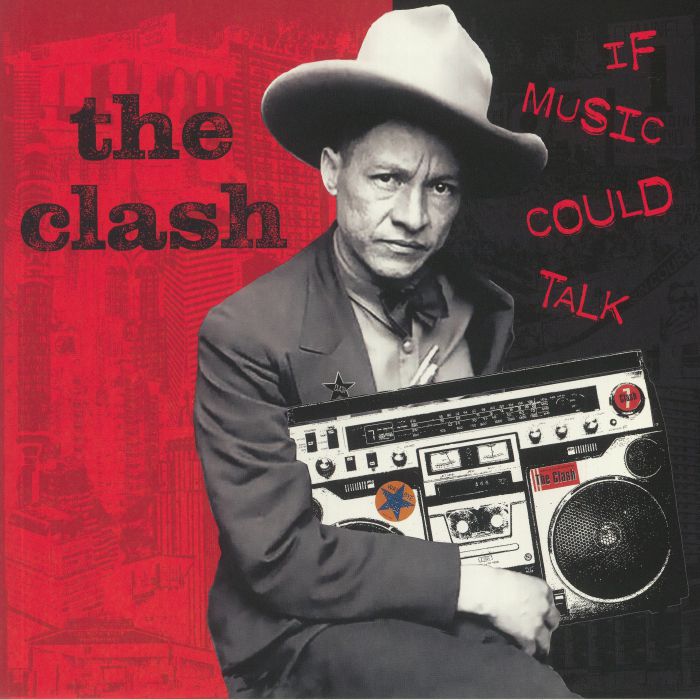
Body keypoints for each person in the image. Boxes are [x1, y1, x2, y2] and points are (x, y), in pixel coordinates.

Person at [195, 5, 576, 698]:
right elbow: (281, 559)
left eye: (441, 187)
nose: (412, 217)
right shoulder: (244, 333)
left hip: (449, 616)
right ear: (331, 170)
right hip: (305, 633)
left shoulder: (486, 312)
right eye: (388, 179)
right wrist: (480, 587)